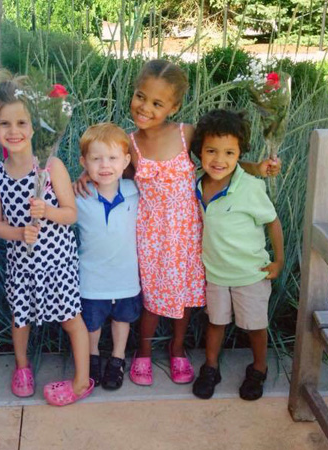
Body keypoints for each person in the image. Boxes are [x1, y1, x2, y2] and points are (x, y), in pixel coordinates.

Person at [75, 59, 280, 386]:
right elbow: (110, 166)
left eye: (157, 103)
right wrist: (87, 174)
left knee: (184, 295)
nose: (145, 108)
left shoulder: (186, 134)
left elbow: (221, 157)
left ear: (174, 107)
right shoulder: (130, 143)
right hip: (150, 233)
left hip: (187, 232)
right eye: (141, 97)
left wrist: (258, 167)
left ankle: (177, 347)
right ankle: (142, 351)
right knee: (152, 297)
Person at [0, 70, 93, 406]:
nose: (14, 131)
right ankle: (22, 366)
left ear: (35, 127)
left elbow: (71, 214)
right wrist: (18, 232)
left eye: (21, 123)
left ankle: (81, 379)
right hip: (22, 263)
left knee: (69, 318)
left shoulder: (50, 167)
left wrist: (46, 211)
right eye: (5, 124)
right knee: (21, 317)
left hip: (57, 262)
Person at [191, 109, 284, 401]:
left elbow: (272, 221)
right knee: (216, 322)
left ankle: (258, 368)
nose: (219, 160)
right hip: (216, 273)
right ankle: (211, 366)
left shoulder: (249, 186)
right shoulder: (196, 183)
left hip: (250, 274)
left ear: (240, 153)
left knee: (255, 326)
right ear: (199, 152)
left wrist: (278, 261)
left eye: (230, 153)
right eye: (211, 151)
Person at [76, 123, 141, 390]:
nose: (105, 165)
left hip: (125, 275)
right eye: (96, 159)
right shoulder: (78, 195)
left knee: (122, 320)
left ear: (126, 161)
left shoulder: (135, 191)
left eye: (113, 158)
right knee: (92, 324)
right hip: (91, 277)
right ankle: (91, 358)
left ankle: (117, 358)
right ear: (84, 162)